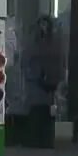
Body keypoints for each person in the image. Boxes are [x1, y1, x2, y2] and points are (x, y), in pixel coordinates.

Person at [23, 15, 63, 148]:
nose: (43, 28)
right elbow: (26, 60)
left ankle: (45, 140)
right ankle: (34, 139)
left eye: (46, 25)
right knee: (36, 111)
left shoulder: (54, 43)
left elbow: (59, 61)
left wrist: (56, 78)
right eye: (41, 25)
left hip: (49, 83)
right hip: (36, 82)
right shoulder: (33, 43)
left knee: (47, 113)